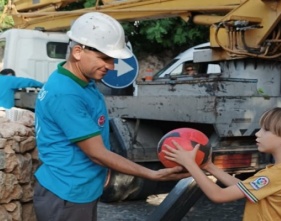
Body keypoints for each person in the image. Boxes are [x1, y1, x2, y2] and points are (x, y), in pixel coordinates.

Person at [33, 12, 188, 221]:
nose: (111, 66)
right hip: (67, 194)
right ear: (78, 51)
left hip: (77, 189)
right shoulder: (66, 93)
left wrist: (101, 172)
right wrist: (151, 174)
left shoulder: (81, 81)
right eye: (105, 58)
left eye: (113, 59)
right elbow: (96, 153)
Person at [164, 107, 281, 221]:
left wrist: (190, 164)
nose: (258, 134)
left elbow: (218, 195)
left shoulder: (274, 175)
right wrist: (209, 167)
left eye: (266, 130)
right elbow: (246, 188)